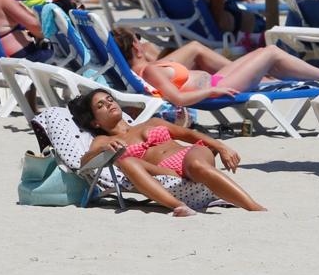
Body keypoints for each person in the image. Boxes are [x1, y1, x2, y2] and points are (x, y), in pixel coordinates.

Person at [69, 89, 264, 216]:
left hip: (189, 155)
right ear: (95, 121)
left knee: (196, 165)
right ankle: (178, 206)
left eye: (109, 100)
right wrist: (104, 149)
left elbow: (188, 134)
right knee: (126, 161)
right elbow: (84, 162)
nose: (109, 104)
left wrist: (222, 147)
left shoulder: (152, 123)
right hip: (162, 172)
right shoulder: (104, 140)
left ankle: (254, 207)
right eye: (100, 105)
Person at [112, 28, 319, 107]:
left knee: (264, 53)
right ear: (135, 47)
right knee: (271, 52)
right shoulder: (149, 71)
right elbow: (177, 99)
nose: (142, 42)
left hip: (218, 81)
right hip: (220, 87)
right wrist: (211, 91)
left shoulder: (141, 72)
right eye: (138, 39)